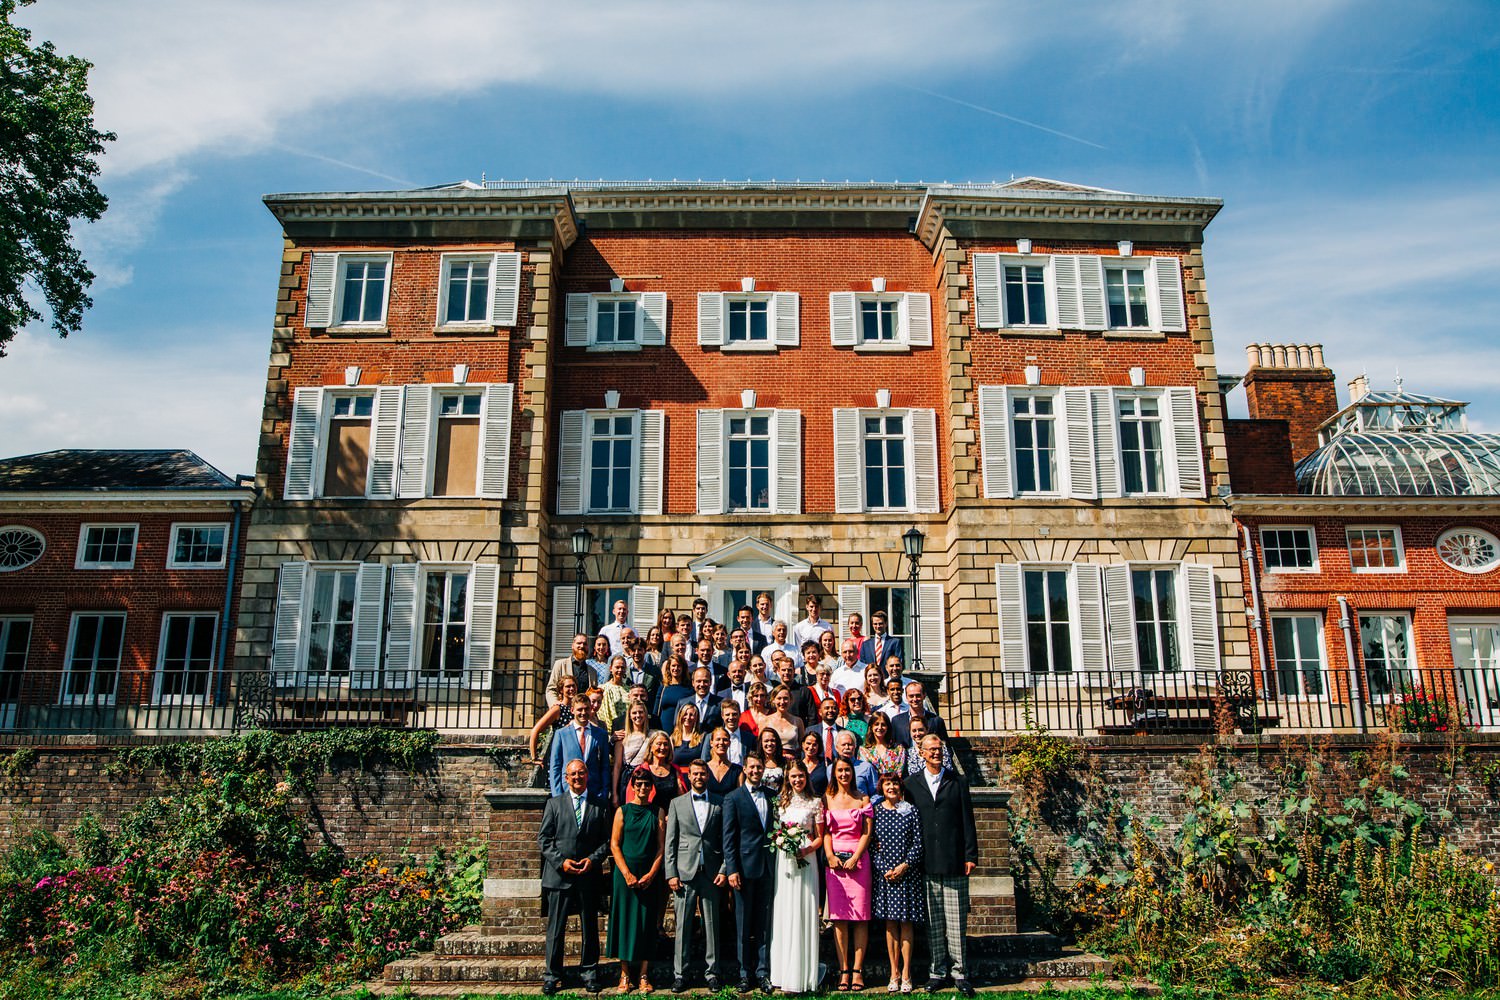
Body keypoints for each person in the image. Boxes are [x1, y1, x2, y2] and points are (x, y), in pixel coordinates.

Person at [904, 735, 978, 997]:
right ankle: (937, 971)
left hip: (954, 858)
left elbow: (967, 820)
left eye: (939, 749)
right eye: (931, 749)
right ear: (921, 753)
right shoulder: (911, 785)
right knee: (934, 922)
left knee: (956, 921)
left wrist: (971, 855)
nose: (936, 753)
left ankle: (960, 972)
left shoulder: (957, 782)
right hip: (926, 861)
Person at [540, 759, 611, 995]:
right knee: (556, 929)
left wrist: (593, 859)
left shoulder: (600, 805)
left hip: (588, 876)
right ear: (566, 778)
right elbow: (545, 840)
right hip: (560, 876)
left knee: (590, 928)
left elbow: (607, 841)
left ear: (587, 775)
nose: (577, 777)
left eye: (581, 773)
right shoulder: (554, 804)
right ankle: (552, 975)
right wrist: (561, 862)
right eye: (573, 774)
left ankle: (589, 973)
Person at [665, 759, 728, 992]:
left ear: (707, 777)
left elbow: (725, 841)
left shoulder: (720, 804)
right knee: (683, 925)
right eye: (695, 774)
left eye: (703, 774)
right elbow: (670, 841)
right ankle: (680, 973)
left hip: (711, 873)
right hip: (684, 872)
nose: (699, 777)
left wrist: (723, 869)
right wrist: (670, 873)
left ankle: (712, 972)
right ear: (689, 777)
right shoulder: (677, 804)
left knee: (712, 925)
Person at [608, 768, 667, 994]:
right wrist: (626, 873)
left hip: (648, 875)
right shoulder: (622, 811)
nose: (643, 788)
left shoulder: (658, 812)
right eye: (639, 784)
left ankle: (643, 973)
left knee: (646, 922)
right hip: (626, 874)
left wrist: (652, 874)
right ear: (632, 786)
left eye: (647, 784)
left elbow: (661, 847)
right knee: (624, 921)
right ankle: (624, 974)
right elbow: (614, 844)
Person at [769, 758, 824, 994]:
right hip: (785, 861)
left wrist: (806, 850)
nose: (797, 780)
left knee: (803, 909)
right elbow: (774, 832)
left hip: (806, 858)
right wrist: (781, 842)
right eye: (793, 776)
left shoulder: (815, 803)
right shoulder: (780, 802)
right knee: (785, 910)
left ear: (806, 777)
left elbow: (821, 837)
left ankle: (803, 973)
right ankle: (783, 971)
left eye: (801, 776)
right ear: (787, 778)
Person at [722, 754, 776, 992]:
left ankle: (763, 972)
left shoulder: (772, 796)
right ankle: (745, 973)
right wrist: (731, 869)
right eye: (752, 767)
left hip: (767, 867)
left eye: (759, 767)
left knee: (764, 923)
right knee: (743, 924)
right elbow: (729, 838)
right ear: (744, 769)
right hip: (743, 869)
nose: (756, 770)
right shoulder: (733, 798)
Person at [871, 772, 925, 994]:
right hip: (886, 876)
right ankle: (893, 972)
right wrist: (885, 869)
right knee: (890, 925)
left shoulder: (910, 810)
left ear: (900, 786)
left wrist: (905, 866)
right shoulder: (876, 812)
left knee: (906, 924)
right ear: (881, 788)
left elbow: (918, 842)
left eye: (894, 783)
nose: (891, 787)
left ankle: (906, 973)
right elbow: (872, 844)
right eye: (887, 784)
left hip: (906, 875)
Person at [824, 757, 874, 992]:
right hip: (835, 865)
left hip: (859, 862)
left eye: (847, 770)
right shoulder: (827, 798)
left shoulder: (862, 798)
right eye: (839, 771)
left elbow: (867, 833)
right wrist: (830, 856)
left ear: (853, 773)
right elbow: (824, 832)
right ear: (834, 774)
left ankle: (858, 970)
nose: (843, 774)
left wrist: (855, 857)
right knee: (839, 918)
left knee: (861, 918)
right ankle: (844, 969)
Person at [549, 693, 611, 802]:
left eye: (586, 709)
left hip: (594, 793)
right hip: (567, 792)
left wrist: (604, 792)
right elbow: (555, 767)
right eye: (580, 709)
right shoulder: (561, 734)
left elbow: (605, 766)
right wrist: (557, 796)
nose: (583, 713)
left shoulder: (601, 734)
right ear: (572, 710)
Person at [531, 675, 580, 766]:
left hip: (575, 756)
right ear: (561, 690)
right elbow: (535, 730)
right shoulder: (557, 709)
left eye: (573, 686)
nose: (572, 688)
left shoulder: (578, 709)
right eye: (568, 686)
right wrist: (534, 758)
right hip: (560, 756)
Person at [614, 701, 658, 805]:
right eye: (634, 713)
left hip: (647, 779)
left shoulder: (654, 735)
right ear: (629, 715)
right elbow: (617, 766)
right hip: (627, 779)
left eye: (640, 712)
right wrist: (614, 793)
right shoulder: (622, 737)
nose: (638, 715)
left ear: (645, 714)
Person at [890, 680, 948, 748]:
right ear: (906, 697)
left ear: (924, 695)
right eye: (911, 696)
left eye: (918, 695)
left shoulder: (936, 721)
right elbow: (893, 747)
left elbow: (946, 747)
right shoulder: (896, 721)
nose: (915, 699)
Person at [640, 731, 685, 814]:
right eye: (659, 744)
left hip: (670, 817)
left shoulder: (675, 770)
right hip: (648, 816)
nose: (662, 747)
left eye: (665, 744)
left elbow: (682, 798)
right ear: (651, 747)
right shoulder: (642, 769)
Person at [703, 699, 756, 765]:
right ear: (722, 716)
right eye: (727, 714)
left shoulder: (750, 739)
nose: (731, 718)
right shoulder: (710, 737)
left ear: (740, 715)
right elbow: (704, 762)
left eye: (734, 714)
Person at [549, 634, 594, 708]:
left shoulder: (592, 671)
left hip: (583, 713)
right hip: (564, 711)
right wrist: (555, 704)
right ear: (572, 646)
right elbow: (551, 689)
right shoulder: (560, 665)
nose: (582, 646)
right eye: (579, 643)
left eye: (585, 644)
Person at [860, 710, 906, 779]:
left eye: (883, 724)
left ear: (888, 727)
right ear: (871, 727)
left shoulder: (898, 749)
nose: (880, 727)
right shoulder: (864, 750)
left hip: (893, 787)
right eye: (876, 724)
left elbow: (899, 773)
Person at [701, 726, 745, 796]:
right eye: (718, 739)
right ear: (711, 743)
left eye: (725, 740)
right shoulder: (703, 769)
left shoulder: (738, 771)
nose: (721, 742)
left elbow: (740, 797)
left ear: (729, 743)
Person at [808, 696, 851, 764]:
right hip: (817, 768)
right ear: (820, 712)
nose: (830, 710)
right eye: (827, 708)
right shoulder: (810, 731)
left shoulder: (844, 733)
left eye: (834, 708)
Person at [654, 655, 693, 732]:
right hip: (663, 729)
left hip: (682, 730)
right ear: (669, 668)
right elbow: (656, 712)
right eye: (673, 666)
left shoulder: (689, 689)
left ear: (683, 668)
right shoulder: (663, 688)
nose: (676, 668)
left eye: (678, 666)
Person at [680, 667, 723, 731]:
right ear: (693, 683)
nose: (702, 684)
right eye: (698, 681)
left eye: (705, 681)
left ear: (710, 682)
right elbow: (678, 726)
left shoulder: (720, 703)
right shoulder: (683, 703)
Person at [599, 655, 632, 732]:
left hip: (628, 729)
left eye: (622, 667)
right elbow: (604, 714)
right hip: (612, 731)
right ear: (611, 668)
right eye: (617, 667)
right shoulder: (603, 689)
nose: (620, 670)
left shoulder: (629, 689)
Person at [672, 703, 707, 773]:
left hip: (696, 777)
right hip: (677, 777)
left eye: (691, 715)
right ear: (680, 716)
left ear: (696, 718)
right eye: (685, 714)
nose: (688, 717)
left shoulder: (702, 738)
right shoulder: (672, 738)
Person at [757, 728, 787, 795]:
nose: (769, 744)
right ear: (761, 743)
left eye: (772, 740)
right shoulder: (756, 761)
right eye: (766, 741)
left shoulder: (784, 762)